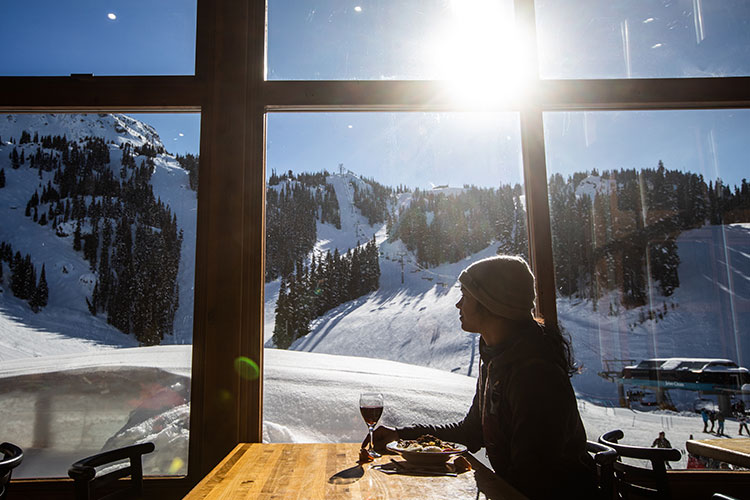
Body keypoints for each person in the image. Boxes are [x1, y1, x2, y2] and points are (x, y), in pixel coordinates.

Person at [364, 255, 596, 499]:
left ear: (491, 303)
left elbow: (534, 478)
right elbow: (471, 433)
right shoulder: (499, 360)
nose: (458, 305)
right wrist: (401, 436)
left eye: (465, 295)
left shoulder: (534, 376)